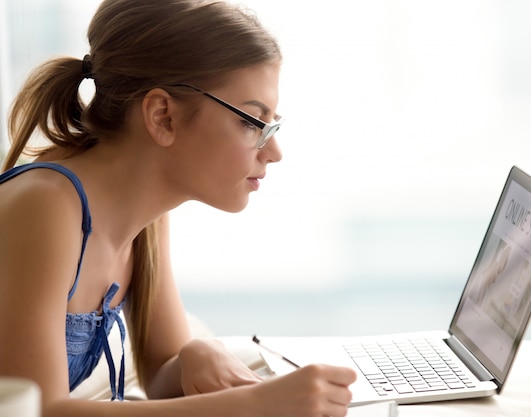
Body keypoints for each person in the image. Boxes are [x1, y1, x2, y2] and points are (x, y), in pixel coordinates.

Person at [0, 1, 357, 416]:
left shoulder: (144, 218)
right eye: (252, 122)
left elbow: (160, 376)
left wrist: (194, 354)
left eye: (272, 124)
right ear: (162, 116)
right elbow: (38, 411)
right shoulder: (46, 207)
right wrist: (254, 403)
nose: (274, 151)